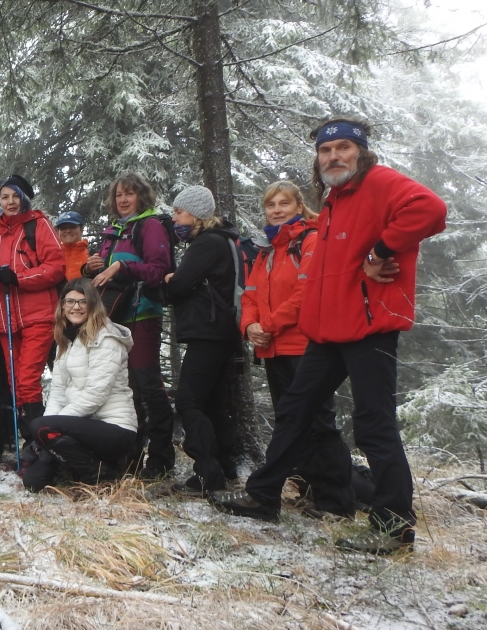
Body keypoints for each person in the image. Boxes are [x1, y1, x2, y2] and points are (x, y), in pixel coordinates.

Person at [212, 118, 447, 554]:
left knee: (373, 424)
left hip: (369, 326)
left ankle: (393, 528)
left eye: (343, 148)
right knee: (296, 411)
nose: (333, 156)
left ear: (361, 152)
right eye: (325, 150)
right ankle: (263, 496)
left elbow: (430, 209)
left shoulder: (379, 181)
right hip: (328, 331)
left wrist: (382, 251)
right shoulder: (336, 197)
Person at [243, 182, 370, 515]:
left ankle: (340, 501)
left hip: (304, 346)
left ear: (299, 207)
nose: (277, 210)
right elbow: (250, 294)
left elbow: (307, 294)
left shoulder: (309, 241)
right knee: (295, 423)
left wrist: (266, 325)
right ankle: (320, 494)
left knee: (318, 423)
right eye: (271, 205)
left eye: (284, 203)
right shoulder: (267, 250)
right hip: (272, 348)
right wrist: (250, 326)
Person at [83, 172, 176, 479]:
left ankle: (162, 457)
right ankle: (131, 456)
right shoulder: (114, 231)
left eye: (129, 194)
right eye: (119, 195)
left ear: (141, 197)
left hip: (143, 314)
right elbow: (103, 276)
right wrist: (92, 266)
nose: (123, 200)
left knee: (148, 384)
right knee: (123, 387)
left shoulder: (150, 226)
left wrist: (122, 265)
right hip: (114, 316)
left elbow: (158, 270)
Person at [161, 186, 242, 494]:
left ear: (195, 214)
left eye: (179, 213)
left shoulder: (206, 243)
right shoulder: (224, 240)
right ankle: (225, 467)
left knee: (189, 400)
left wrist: (171, 280)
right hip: (223, 332)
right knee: (214, 403)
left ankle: (208, 473)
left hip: (208, 331)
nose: (175, 219)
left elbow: (179, 286)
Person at [22, 278, 138, 491]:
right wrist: (43, 438)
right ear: (63, 305)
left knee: (40, 426)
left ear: (93, 305)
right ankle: (86, 466)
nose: (75, 307)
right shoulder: (65, 340)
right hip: (80, 426)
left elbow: (95, 395)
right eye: (70, 301)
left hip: (114, 428)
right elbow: (57, 392)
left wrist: (50, 426)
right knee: (32, 482)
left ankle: (99, 478)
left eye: (82, 302)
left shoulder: (107, 339)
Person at [0, 174, 65, 436]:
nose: (10, 202)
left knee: (27, 380)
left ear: (24, 199)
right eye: (5, 197)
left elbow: (56, 267)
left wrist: (18, 278)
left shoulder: (39, 225)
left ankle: (46, 441)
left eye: (15, 196)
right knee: (15, 383)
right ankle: (32, 442)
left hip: (38, 316)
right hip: (5, 320)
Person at [55, 211, 89, 282]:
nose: (68, 231)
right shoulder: (52, 256)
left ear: (81, 229)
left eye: (72, 227)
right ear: (58, 232)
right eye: (63, 228)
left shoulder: (91, 255)